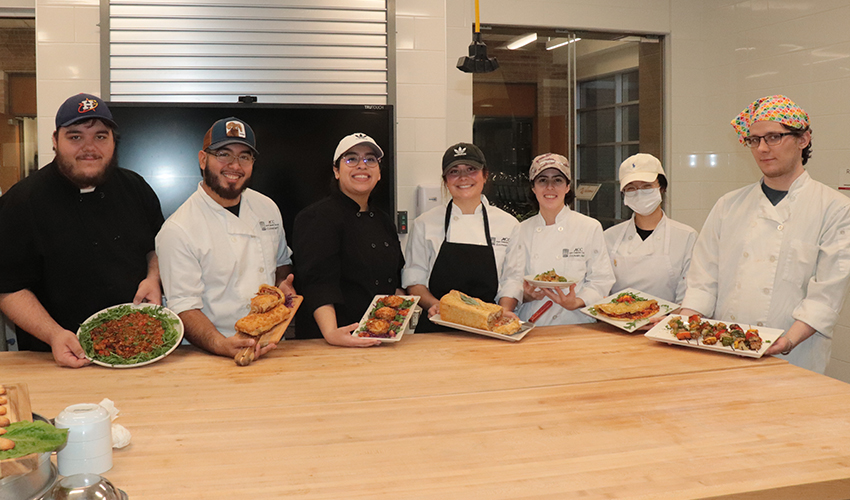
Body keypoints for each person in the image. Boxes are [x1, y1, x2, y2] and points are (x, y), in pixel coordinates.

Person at [681, 95, 850, 373]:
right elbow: (703, 280)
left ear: (803, 140)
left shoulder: (834, 209)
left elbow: (826, 296)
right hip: (725, 349)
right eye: (754, 140)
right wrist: (683, 325)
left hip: (795, 358)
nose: (762, 148)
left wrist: (785, 342)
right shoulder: (728, 205)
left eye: (773, 137)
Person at [0, 93, 164, 367]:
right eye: (75, 137)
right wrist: (53, 335)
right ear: (55, 140)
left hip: (139, 350)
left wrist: (153, 276)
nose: (89, 147)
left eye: (100, 136)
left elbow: (156, 247)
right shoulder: (21, 202)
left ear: (114, 141)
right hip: (57, 358)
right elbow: (8, 288)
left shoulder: (136, 188)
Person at [156, 117, 293, 360]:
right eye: (224, 154)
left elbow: (281, 262)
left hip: (272, 344)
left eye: (244, 156)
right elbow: (184, 308)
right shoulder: (178, 230)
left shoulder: (267, 207)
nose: (235, 165)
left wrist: (282, 286)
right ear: (202, 159)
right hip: (209, 353)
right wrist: (222, 345)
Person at [292, 133, 404, 346]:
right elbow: (317, 281)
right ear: (336, 171)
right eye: (351, 159)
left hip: (380, 336)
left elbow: (393, 280)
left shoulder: (384, 220)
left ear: (379, 173)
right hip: (332, 340)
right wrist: (332, 333)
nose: (362, 166)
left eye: (370, 160)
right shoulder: (316, 217)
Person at [403, 143, 523, 332]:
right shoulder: (424, 224)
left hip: (488, 326)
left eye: (471, 169)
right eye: (454, 171)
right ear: (445, 180)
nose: (463, 177)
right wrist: (435, 305)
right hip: (437, 324)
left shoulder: (508, 224)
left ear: (485, 175)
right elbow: (414, 279)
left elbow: (512, 279)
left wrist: (503, 311)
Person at [513, 153, 615, 325]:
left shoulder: (589, 227)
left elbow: (601, 279)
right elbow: (510, 280)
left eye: (558, 180)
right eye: (542, 180)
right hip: (533, 324)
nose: (550, 187)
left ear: (568, 186)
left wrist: (576, 301)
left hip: (576, 323)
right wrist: (524, 295)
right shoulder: (520, 230)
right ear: (533, 187)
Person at [604, 153, 698, 304]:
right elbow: (601, 287)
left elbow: (689, 293)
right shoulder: (609, 237)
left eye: (647, 186)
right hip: (618, 321)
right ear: (624, 195)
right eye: (631, 188)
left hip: (667, 323)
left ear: (662, 188)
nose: (639, 193)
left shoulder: (686, 237)